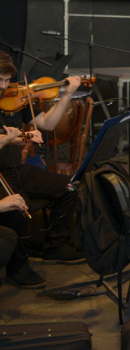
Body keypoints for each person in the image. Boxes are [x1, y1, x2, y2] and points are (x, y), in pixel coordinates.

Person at [0, 56, 83, 288]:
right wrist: (15, 139)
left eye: (7, 81)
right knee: (16, 208)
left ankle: (55, 247)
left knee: (68, 187)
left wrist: (66, 95)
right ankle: (18, 268)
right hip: (0, 175)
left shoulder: (17, 99)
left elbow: (47, 123)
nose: (3, 87)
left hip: (17, 168)